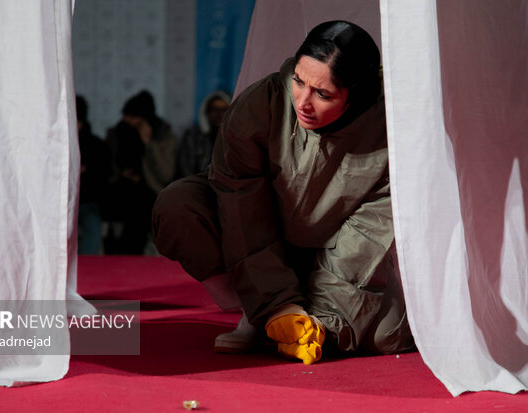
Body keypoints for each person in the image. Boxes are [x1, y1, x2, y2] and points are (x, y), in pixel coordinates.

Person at [152, 21, 414, 365]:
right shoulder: (262, 103)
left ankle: (304, 316)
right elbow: (241, 205)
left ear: (357, 95)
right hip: (252, 239)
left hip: (330, 256)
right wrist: (274, 305)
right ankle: (254, 310)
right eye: (298, 81)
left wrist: (321, 319)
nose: (303, 102)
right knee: (178, 206)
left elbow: (367, 236)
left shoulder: (393, 129)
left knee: (388, 335)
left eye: (323, 94)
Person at [104, 90, 176, 254]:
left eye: (133, 116)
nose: (128, 121)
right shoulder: (118, 132)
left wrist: (149, 143)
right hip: (121, 187)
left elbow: (166, 173)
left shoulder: (163, 134)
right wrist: (123, 174)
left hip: (153, 190)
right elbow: (109, 166)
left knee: (142, 206)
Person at [76, 95, 110, 255]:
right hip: (57, 206)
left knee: (93, 229)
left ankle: (86, 269)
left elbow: (103, 179)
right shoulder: (53, 143)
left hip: (88, 203)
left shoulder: (96, 146)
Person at [176, 90, 231, 178]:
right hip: (196, 186)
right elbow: (186, 170)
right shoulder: (192, 136)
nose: (219, 114)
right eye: (215, 109)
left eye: (224, 109)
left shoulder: (234, 139)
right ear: (207, 111)